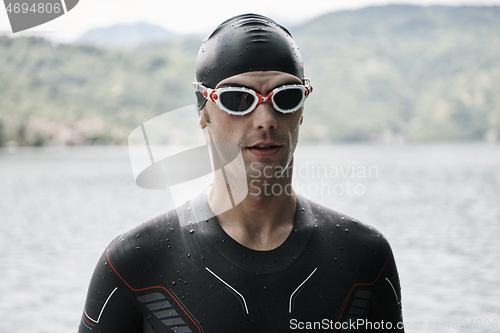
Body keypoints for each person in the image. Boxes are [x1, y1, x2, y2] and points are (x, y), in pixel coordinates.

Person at [78, 14, 404, 333]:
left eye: (285, 97)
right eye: (238, 99)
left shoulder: (365, 259)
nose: (265, 119)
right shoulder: (134, 264)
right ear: (203, 111)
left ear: (302, 109)